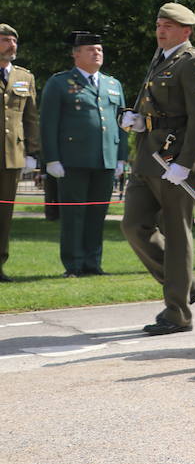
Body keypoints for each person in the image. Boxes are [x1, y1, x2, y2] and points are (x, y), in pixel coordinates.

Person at [119, 3, 195, 333]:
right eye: (159, 24)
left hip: (175, 162)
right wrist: (135, 120)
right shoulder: (159, 59)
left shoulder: (193, 62)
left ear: (186, 31)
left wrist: (185, 163)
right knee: (133, 225)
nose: (161, 30)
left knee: (177, 235)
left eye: (169, 26)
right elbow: (152, 105)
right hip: (147, 157)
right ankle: (184, 284)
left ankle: (178, 313)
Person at [39, 32, 128, 278]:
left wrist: (121, 156)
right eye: (90, 49)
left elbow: (122, 122)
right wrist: (52, 159)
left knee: (97, 214)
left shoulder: (112, 84)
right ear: (76, 54)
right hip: (72, 160)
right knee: (73, 214)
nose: (96, 53)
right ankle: (74, 264)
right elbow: (48, 124)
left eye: (99, 49)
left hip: (105, 159)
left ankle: (92, 263)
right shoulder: (59, 83)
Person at [0, 23, 40, 283]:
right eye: (5, 40)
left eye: (14, 40)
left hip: (11, 156)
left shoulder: (25, 77)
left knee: (4, 217)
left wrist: (33, 152)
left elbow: (31, 118)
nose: (12, 45)